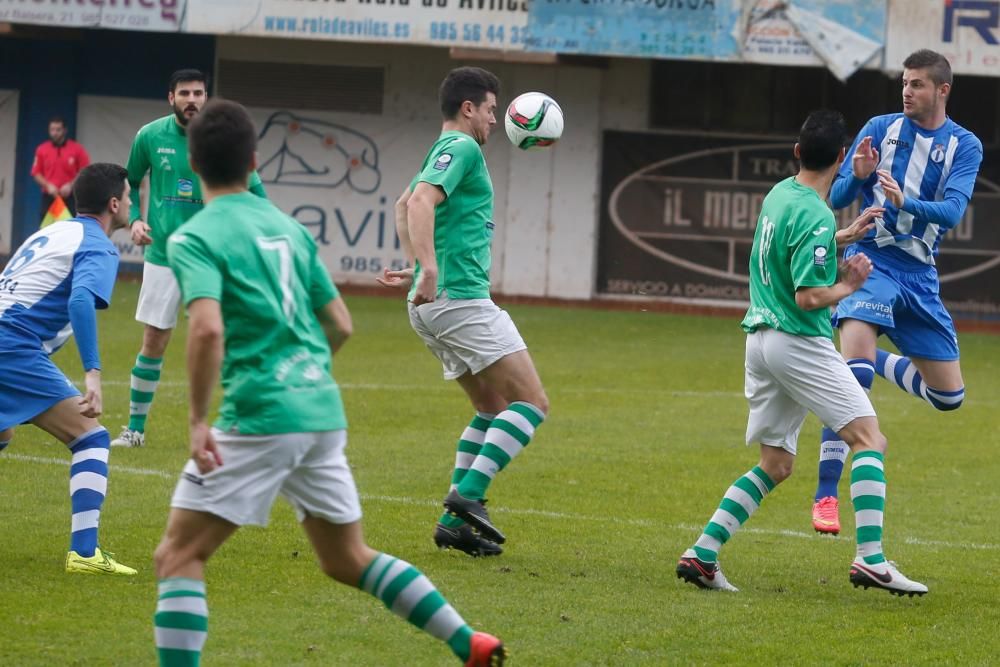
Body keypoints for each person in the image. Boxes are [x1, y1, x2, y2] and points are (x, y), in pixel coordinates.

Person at [152, 98, 506, 667]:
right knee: (349, 560)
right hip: (319, 411)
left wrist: (197, 421)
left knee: (177, 556)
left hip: (258, 415)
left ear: (193, 164)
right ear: (255, 159)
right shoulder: (289, 230)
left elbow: (207, 331)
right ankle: (469, 641)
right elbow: (340, 323)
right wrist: (307, 372)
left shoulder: (194, 237)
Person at [676, 110, 927, 596]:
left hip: (759, 341)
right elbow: (809, 296)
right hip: (797, 340)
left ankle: (702, 554)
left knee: (777, 464)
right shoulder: (813, 210)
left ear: (797, 152)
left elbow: (789, 250)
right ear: (840, 157)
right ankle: (871, 560)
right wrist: (848, 282)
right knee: (869, 440)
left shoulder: (781, 194)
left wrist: (841, 237)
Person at [376, 67, 549, 556]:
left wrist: (416, 270)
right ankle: (467, 497)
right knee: (532, 404)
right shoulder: (463, 148)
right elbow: (421, 203)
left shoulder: (441, 149)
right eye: (492, 109)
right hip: (461, 299)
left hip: (434, 304)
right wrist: (426, 268)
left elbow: (403, 202)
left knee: (490, 408)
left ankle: (454, 525)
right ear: (469, 108)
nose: (496, 120)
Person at [809, 49, 981, 535]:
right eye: (905, 83)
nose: (907, 91)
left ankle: (872, 360)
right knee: (854, 380)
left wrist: (909, 202)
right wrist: (858, 177)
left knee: (949, 398)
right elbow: (836, 196)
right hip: (872, 263)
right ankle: (825, 494)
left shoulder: (964, 145)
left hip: (920, 275)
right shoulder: (879, 128)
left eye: (918, 84)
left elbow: (951, 213)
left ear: (942, 90)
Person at [111, 68, 268, 448]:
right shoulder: (149, 136)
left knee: (229, 338)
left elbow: (257, 190)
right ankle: (135, 430)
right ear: (172, 98)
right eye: (185, 93)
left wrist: (268, 228)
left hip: (214, 255)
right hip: (164, 255)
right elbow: (127, 181)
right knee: (154, 339)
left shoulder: (221, 139)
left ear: (207, 97)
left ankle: (238, 428)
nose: (192, 99)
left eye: (199, 93)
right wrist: (133, 221)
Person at [0, 162, 136, 576]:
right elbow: (80, 301)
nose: (131, 203)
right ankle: (85, 553)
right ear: (114, 204)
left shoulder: (52, 230)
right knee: (90, 437)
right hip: (12, 347)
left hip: (8, 339)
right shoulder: (97, 245)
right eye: (129, 197)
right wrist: (92, 373)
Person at [31, 115, 90, 222]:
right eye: (52, 130)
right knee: (46, 229)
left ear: (64, 130)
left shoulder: (77, 149)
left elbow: (85, 171)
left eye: (58, 130)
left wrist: (70, 185)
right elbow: (36, 173)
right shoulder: (42, 149)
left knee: (71, 228)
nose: (55, 133)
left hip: (70, 197)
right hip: (49, 197)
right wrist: (48, 185)